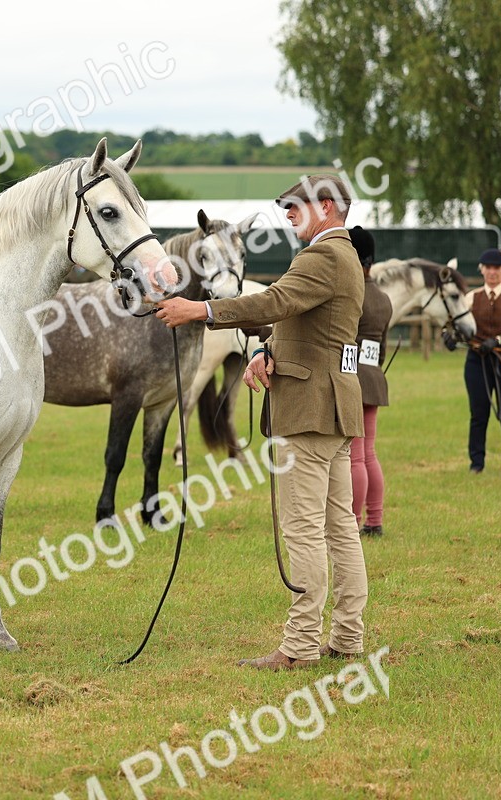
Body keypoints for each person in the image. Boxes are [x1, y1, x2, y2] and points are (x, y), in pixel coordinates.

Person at [154, 175, 368, 670]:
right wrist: (268, 351)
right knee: (339, 528)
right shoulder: (346, 255)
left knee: (304, 530)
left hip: (311, 409)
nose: (288, 213)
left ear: (329, 207)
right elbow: (306, 323)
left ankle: (299, 647)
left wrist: (201, 308)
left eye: (297, 205)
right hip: (333, 405)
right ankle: (348, 637)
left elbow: (274, 302)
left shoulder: (322, 256)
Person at [448, 249, 501, 475]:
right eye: (488, 268)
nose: (492, 272)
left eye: (497, 268)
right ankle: (476, 464)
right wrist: (452, 338)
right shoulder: (471, 298)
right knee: (478, 414)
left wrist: (499, 340)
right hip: (477, 362)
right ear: (482, 270)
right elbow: (459, 326)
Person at [347, 227, 392, 537]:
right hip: (374, 377)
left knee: (355, 456)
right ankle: (374, 520)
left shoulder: (352, 293)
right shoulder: (382, 297)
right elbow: (382, 347)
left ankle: (352, 522)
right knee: (369, 454)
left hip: (351, 377)